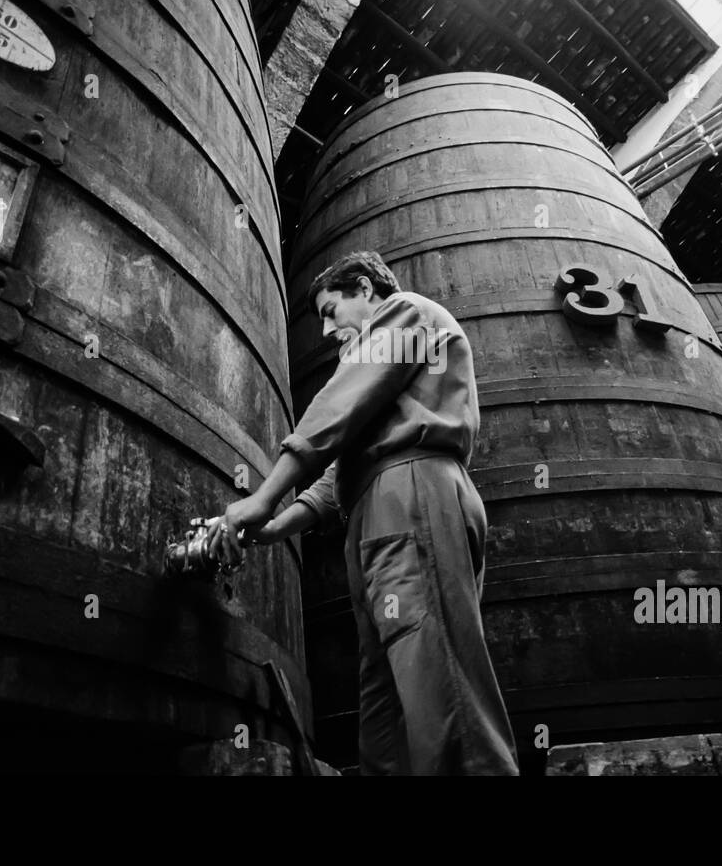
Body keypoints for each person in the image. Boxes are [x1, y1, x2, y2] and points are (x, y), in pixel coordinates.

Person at [206, 250, 520, 776]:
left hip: (413, 492)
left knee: (436, 678)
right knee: (391, 694)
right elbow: (339, 476)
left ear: (367, 291)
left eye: (332, 310)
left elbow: (336, 409)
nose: (327, 330)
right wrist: (274, 526)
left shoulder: (405, 313)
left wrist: (261, 498)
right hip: (379, 503)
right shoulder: (384, 385)